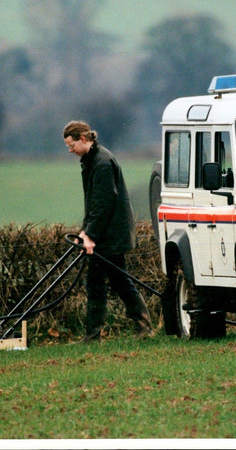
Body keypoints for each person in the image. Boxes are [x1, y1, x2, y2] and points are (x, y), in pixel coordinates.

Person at [62, 121, 155, 342]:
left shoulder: (102, 163)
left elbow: (103, 203)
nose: (70, 150)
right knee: (113, 281)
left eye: (71, 145)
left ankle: (100, 335)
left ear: (83, 139)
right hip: (105, 232)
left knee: (107, 282)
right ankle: (140, 328)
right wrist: (86, 231)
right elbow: (95, 203)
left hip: (110, 235)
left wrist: (90, 234)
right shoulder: (92, 160)